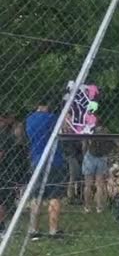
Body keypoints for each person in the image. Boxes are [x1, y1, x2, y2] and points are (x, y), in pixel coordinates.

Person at [26, 100, 66, 239]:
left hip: (36, 159)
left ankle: (33, 229)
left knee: (36, 196)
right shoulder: (52, 118)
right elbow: (63, 131)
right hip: (54, 159)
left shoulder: (29, 120)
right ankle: (53, 230)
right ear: (48, 105)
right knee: (54, 195)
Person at [82, 121, 114, 213]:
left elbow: (84, 145)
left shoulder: (90, 130)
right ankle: (99, 207)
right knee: (99, 185)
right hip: (101, 157)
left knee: (88, 184)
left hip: (90, 157)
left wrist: (84, 155)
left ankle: (87, 207)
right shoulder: (106, 131)